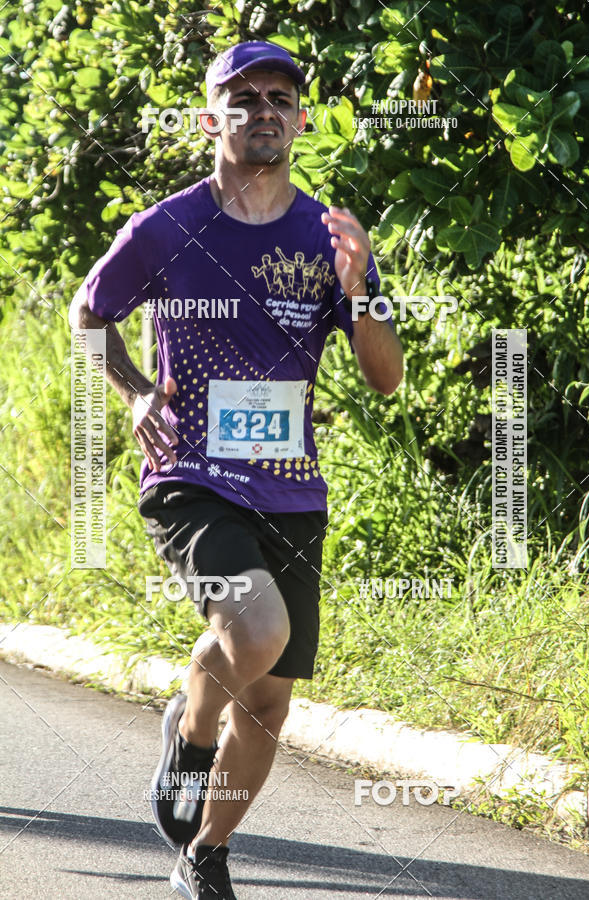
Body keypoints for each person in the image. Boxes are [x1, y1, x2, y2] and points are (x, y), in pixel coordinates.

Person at [69, 39, 403, 900]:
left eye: (279, 98)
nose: (263, 110)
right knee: (255, 634)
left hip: (291, 484)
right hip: (191, 473)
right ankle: (193, 721)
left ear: (300, 118)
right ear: (213, 117)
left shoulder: (329, 234)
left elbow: (384, 375)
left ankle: (205, 854)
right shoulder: (167, 227)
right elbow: (88, 313)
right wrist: (138, 391)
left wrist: (360, 286)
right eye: (243, 97)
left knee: (274, 703)